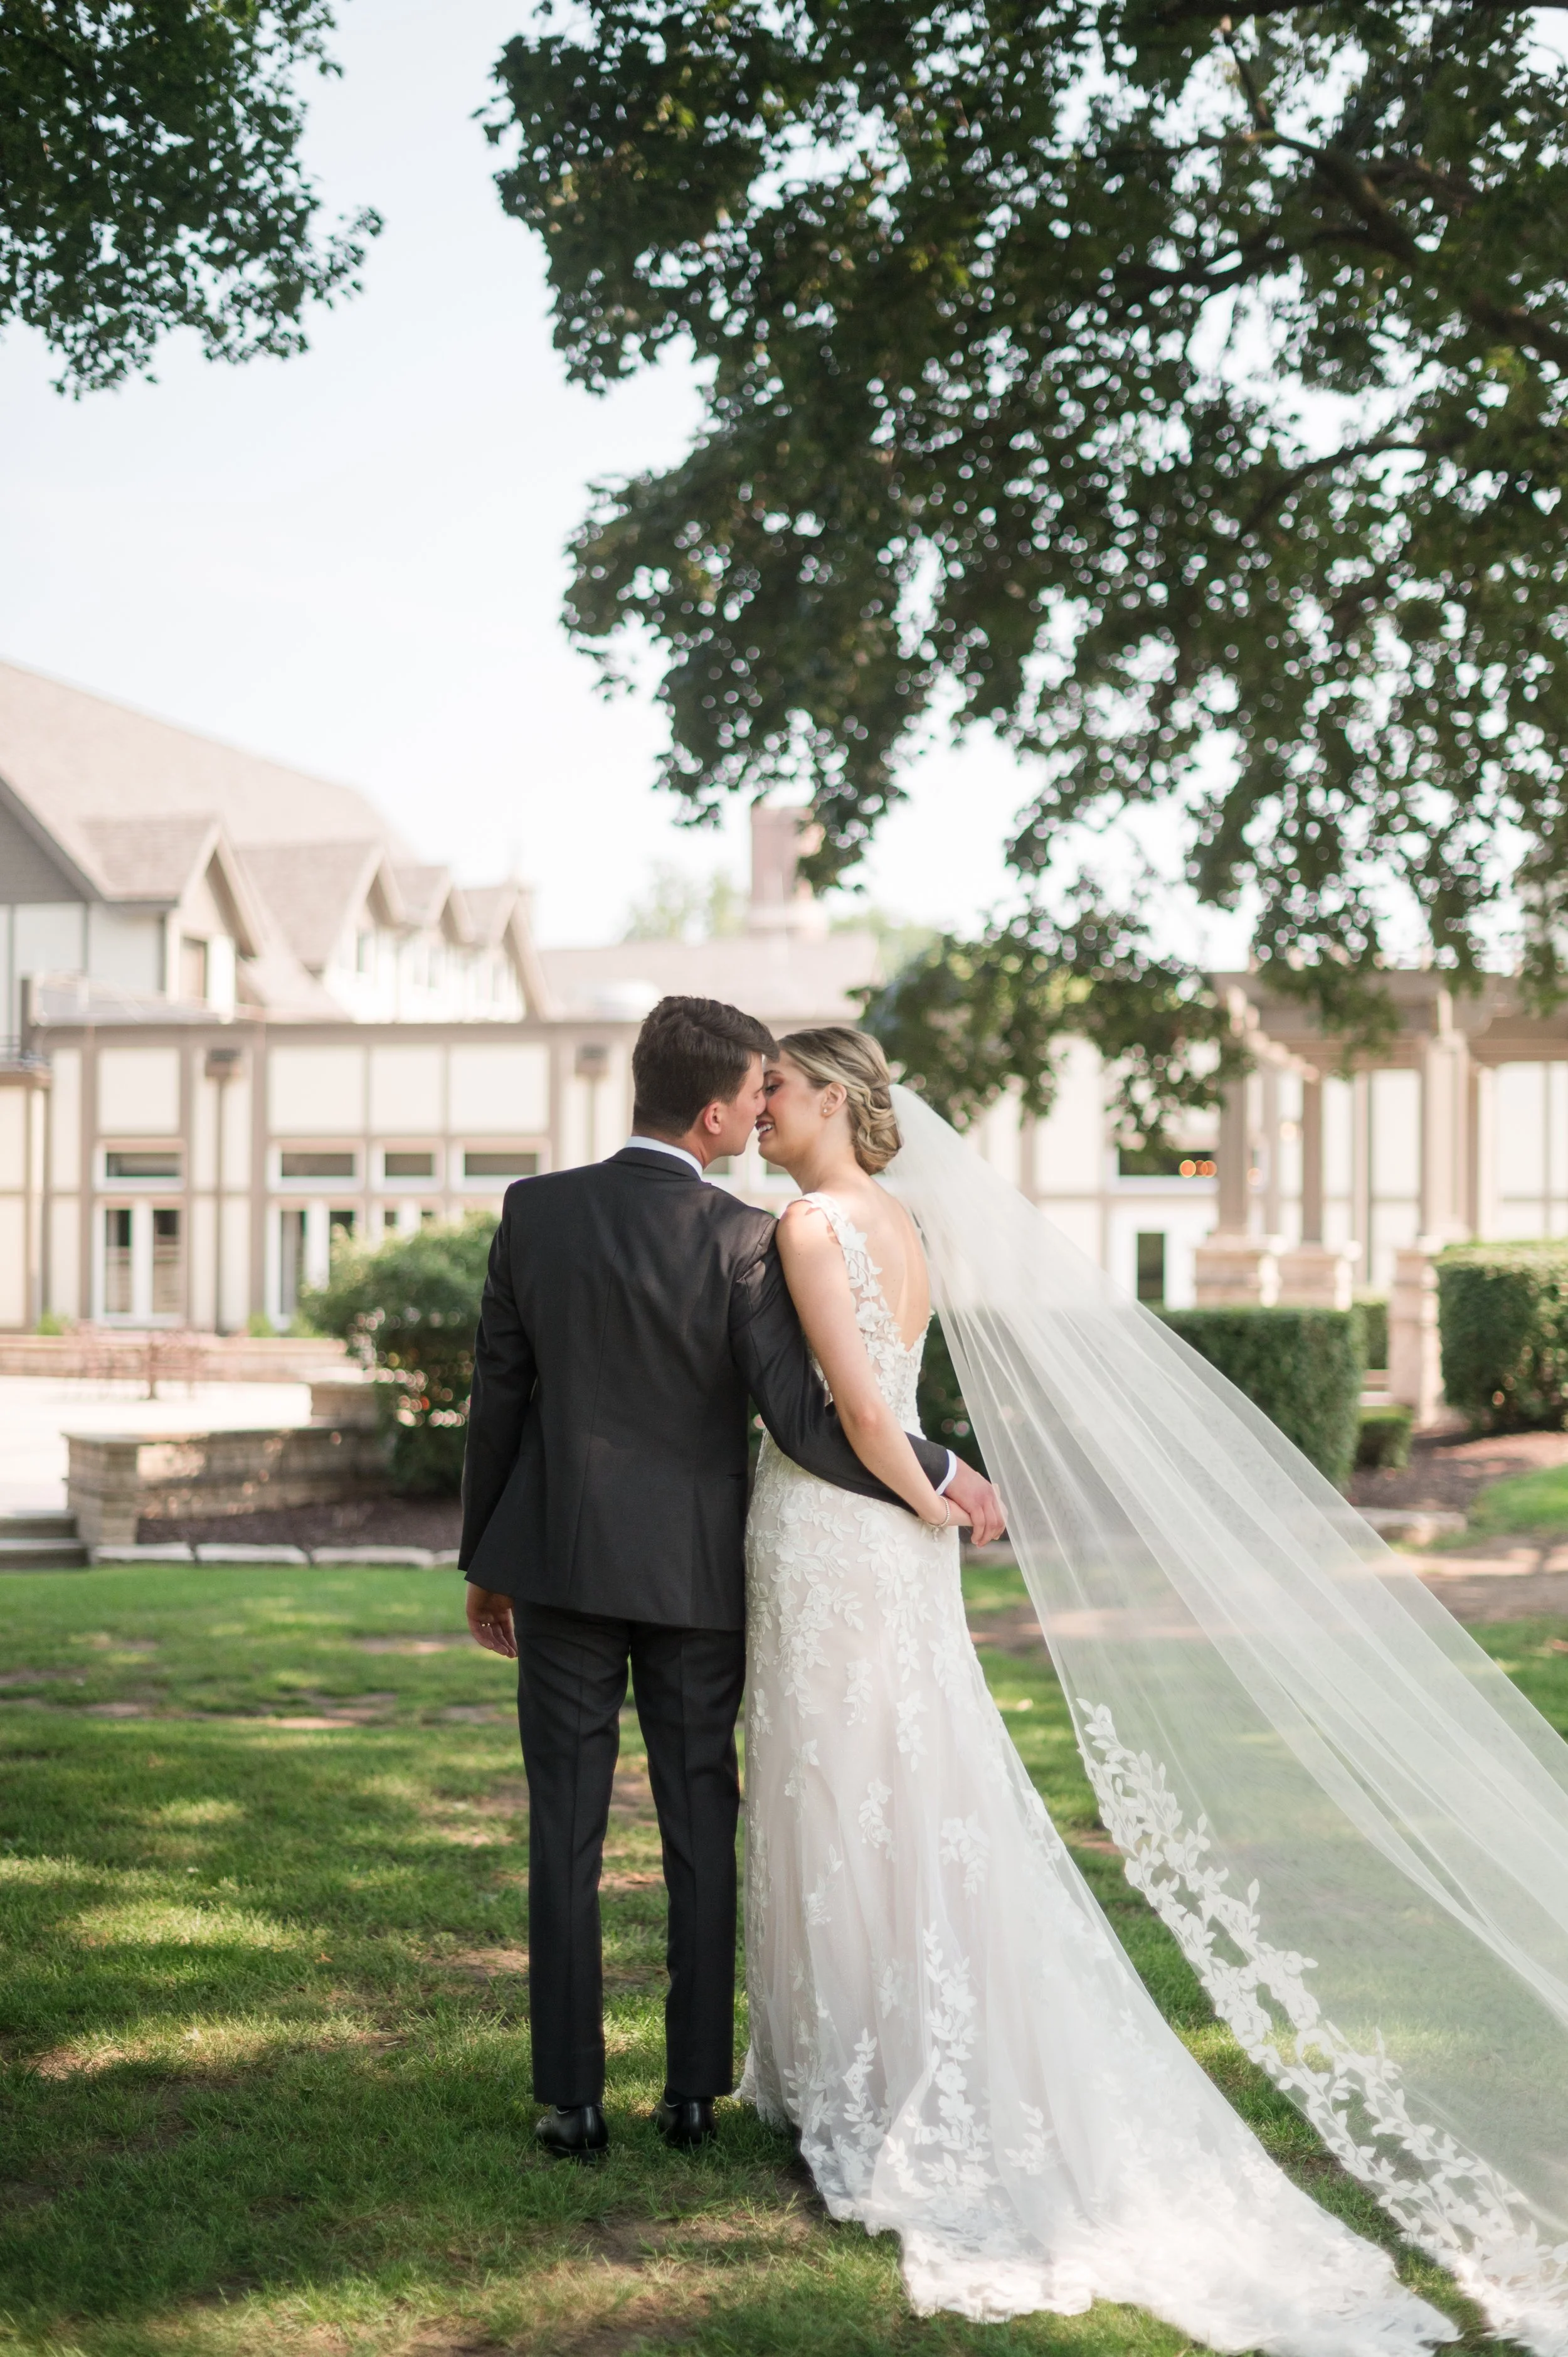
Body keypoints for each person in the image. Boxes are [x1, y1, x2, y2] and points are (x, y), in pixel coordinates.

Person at [738, 1026, 1456, 2354]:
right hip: (891, 1536)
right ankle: (857, 2048)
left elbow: (859, 1412)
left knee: (836, 1778)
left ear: (830, 1097)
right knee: (900, 1776)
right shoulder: (899, 1221)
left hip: (843, 1527)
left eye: (774, 1085)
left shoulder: (807, 1227)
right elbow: (894, 1397)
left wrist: (932, 1499)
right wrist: (941, 1494)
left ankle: (854, 2070)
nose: (756, 1105)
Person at [458, 996, 1004, 2162]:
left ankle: (571, 2102)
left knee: (564, 1829)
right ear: (714, 1113)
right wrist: (940, 1475)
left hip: (555, 1565)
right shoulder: (745, 1236)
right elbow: (805, 1423)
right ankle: (694, 2091)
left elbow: (497, 1399)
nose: (763, 1109)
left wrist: (485, 1564)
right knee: (702, 1823)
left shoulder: (533, 1211)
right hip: (698, 1581)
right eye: (755, 1091)